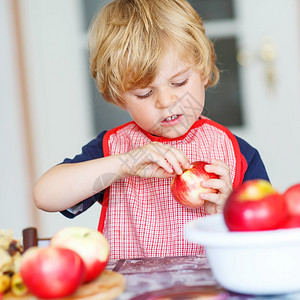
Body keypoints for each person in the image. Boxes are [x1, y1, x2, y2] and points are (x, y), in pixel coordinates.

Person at [34, 0, 269, 259]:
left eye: (178, 82)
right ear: (119, 97)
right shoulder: (114, 149)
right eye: (144, 93)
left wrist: (228, 211)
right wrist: (125, 164)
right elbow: (45, 195)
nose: (166, 101)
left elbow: (267, 238)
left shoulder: (237, 153)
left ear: (203, 71)